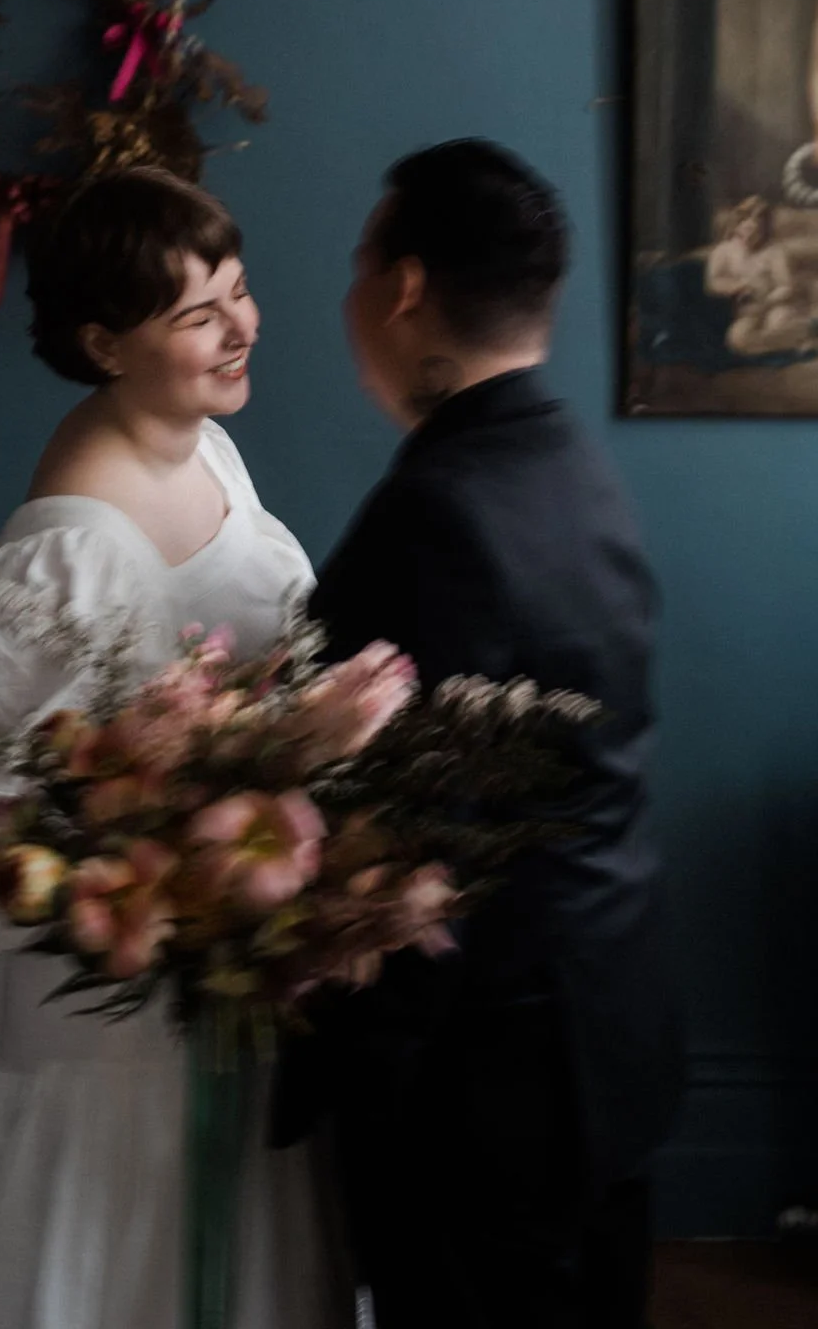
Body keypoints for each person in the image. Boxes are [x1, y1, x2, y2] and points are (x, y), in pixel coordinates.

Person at [0, 170, 354, 1329]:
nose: (241, 327)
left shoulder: (210, 451)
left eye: (239, 290)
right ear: (104, 344)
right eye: (198, 314)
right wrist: (154, 888)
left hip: (229, 994)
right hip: (115, 1039)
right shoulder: (68, 553)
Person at [273, 140, 683, 1328]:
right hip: (611, 1017)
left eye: (359, 266)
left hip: (493, 1084)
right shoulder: (576, 471)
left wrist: (353, 1066)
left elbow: (408, 837)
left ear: (403, 286)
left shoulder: (437, 509)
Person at [705, 195, 812, 357]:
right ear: (737, 226)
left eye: (757, 231)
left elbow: (786, 286)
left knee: (778, 321)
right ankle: (798, 340)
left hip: (775, 305)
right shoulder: (723, 251)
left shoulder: (774, 251)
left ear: (764, 231)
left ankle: (791, 338)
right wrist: (735, 286)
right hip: (746, 311)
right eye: (746, 229)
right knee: (738, 338)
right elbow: (713, 282)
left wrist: (767, 301)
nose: (750, 237)